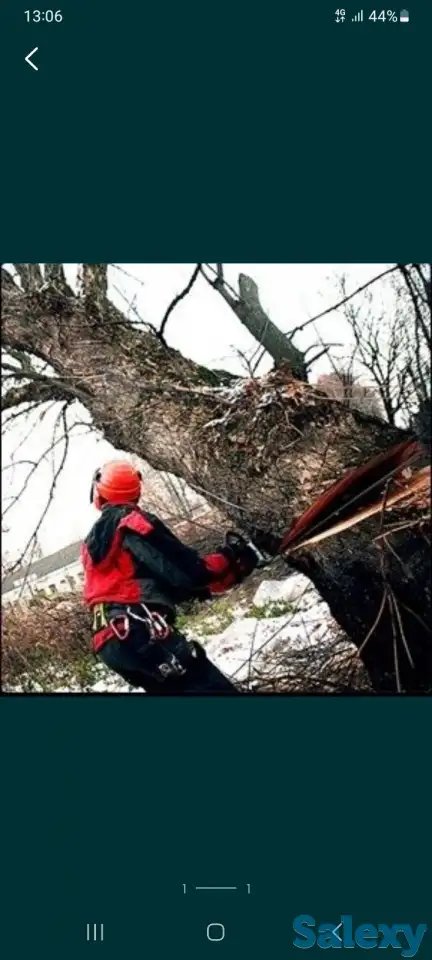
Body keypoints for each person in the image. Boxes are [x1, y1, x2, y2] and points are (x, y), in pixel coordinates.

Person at [81, 461, 259, 694]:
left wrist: (210, 587)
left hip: (109, 640)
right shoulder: (133, 523)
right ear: (135, 490)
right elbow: (187, 571)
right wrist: (229, 556)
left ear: (100, 491)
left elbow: (152, 583)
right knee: (211, 688)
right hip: (137, 630)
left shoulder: (91, 542)